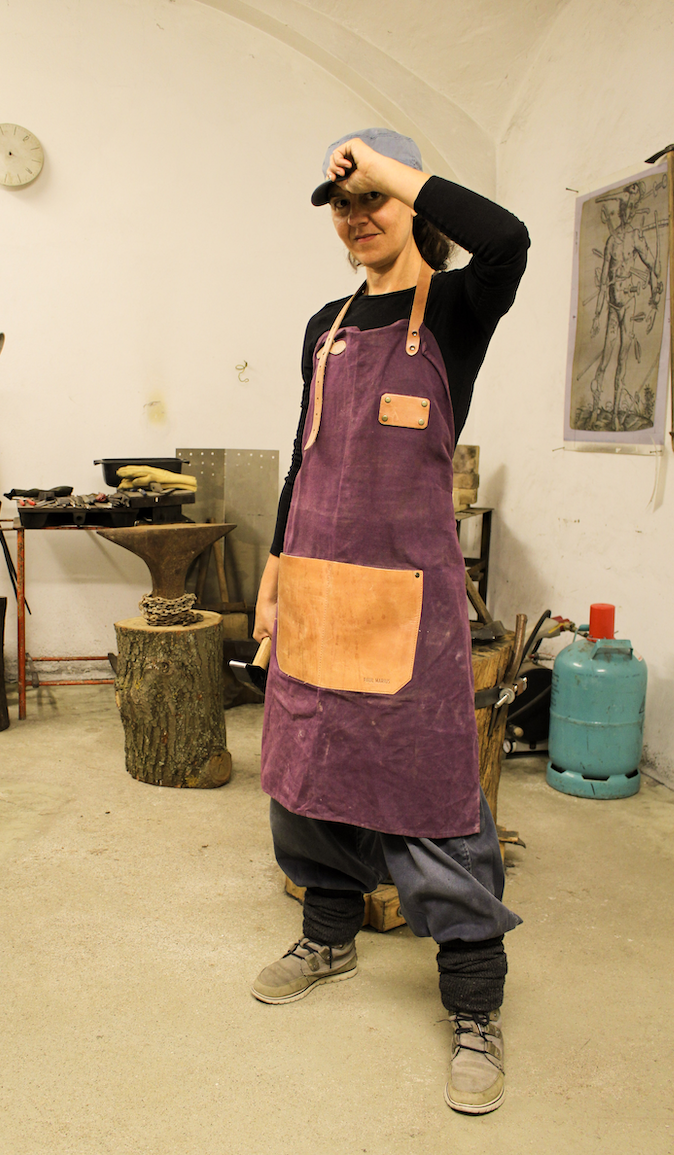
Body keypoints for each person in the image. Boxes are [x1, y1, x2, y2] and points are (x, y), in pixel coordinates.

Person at [250, 129, 530, 1115]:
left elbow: (509, 241)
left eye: (372, 197)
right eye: (341, 202)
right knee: (314, 777)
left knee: (435, 796)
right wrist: (276, 569)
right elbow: (304, 452)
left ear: (416, 204)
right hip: (322, 588)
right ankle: (328, 933)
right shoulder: (324, 323)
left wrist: (390, 167)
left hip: (411, 604)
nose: (355, 215)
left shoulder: (456, 307)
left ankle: (475, 1002)